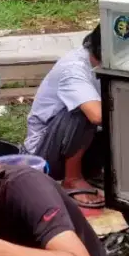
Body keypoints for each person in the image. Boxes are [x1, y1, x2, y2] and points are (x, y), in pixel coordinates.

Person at [23, 25, 104, 206]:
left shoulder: (100, 66)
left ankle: (92, 172)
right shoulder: (74, 69)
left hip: (73, 145)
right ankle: (72, 179)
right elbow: (96, 116)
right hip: (43, 154)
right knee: (85, 112)